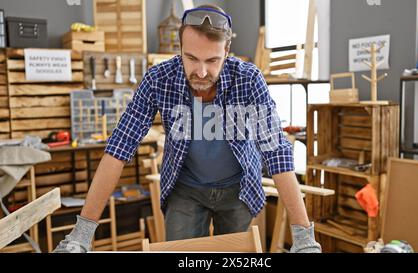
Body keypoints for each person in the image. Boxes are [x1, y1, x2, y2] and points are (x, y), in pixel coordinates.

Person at [54, 4, 321, 253]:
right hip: (186, 189)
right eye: (191, 58)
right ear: (179, 48)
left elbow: (276, 151)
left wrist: (303, 236)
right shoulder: (159, 80)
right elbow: (119, 148)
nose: (201, 72)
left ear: (227, 51)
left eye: (212, 60)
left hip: (238, 189)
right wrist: (82, 233)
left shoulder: (249, 80)